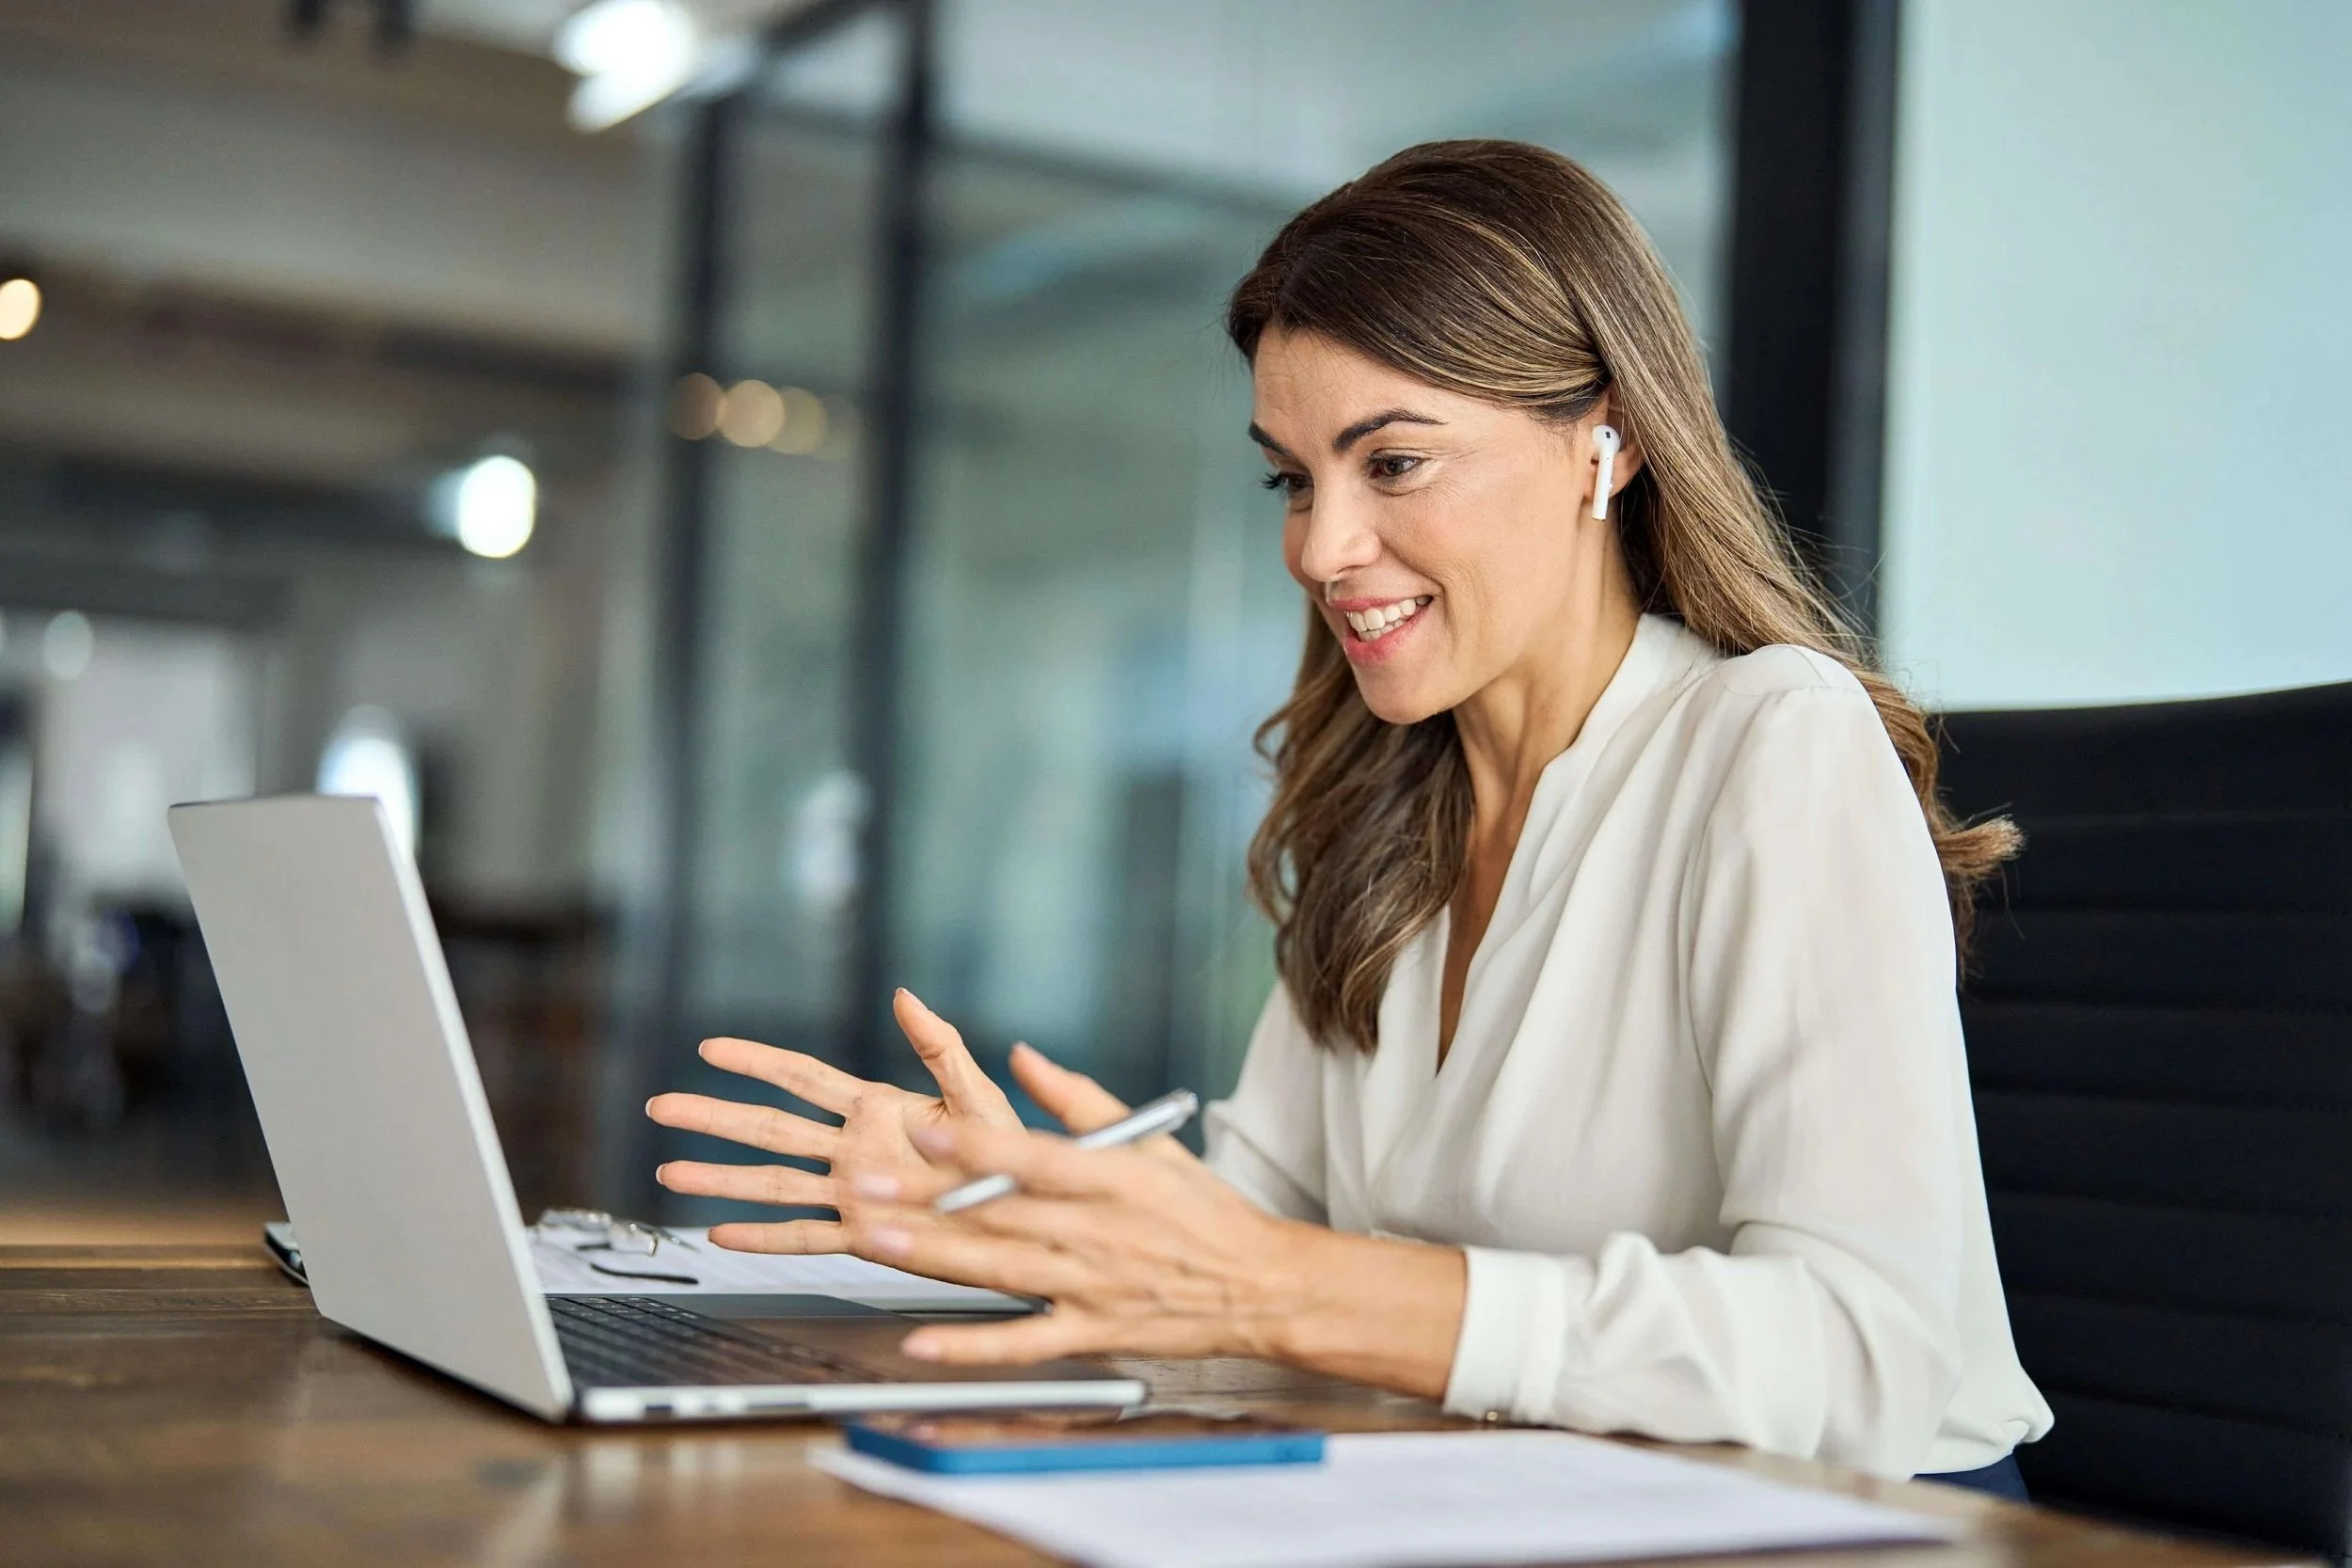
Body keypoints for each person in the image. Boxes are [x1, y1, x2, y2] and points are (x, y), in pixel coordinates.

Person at [645, 140, 2052, 1497]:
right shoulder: (1390, 801)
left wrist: (1286, 1290)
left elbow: (1866, 1350)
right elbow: (1248, 1257)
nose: (1319, 547)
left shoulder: (1771, 744)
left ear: (1602, 445)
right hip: (1517, 1505)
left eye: (1393, 463)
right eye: (1292, 476)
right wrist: (1005, 1209)